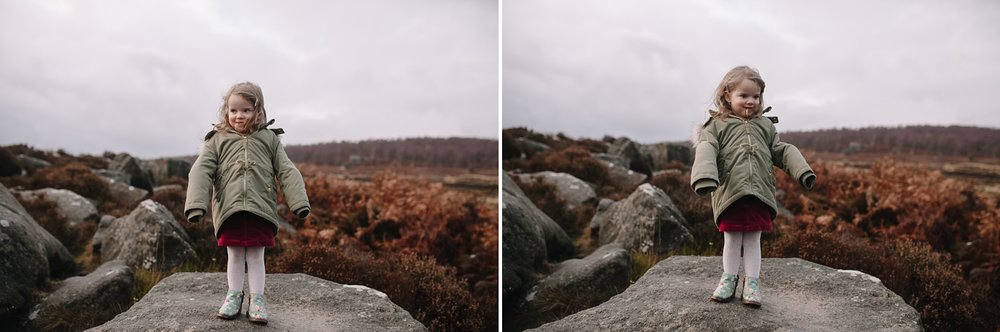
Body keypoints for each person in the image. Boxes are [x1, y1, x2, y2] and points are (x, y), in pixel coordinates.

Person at [184, 81, 310, 324]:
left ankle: (257, 299)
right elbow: (200, 170)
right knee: (234, 254)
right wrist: (196, 205)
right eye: (233, 110)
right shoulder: (217, 140)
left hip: (259, 208)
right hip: (230, 209)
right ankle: (234, 295)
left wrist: (298, 203)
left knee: (255, 255)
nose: (238, 116)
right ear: (226, 111)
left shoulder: (269, 139)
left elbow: (287, 170)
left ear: (258, 110)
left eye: (245, 110)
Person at [690, 66, 815, 307]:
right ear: (727, 95)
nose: (750, 102)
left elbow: (781, 150)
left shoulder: (765, 126)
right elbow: (706, 148)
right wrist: (705, 176)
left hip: (759, 192)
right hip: (731, 193)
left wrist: (802, 170)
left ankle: (752, 283)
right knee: (732, 237)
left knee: (753, 239)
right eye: (743, 96)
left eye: (755, 96)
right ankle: (728, 279)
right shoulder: (716, 125)